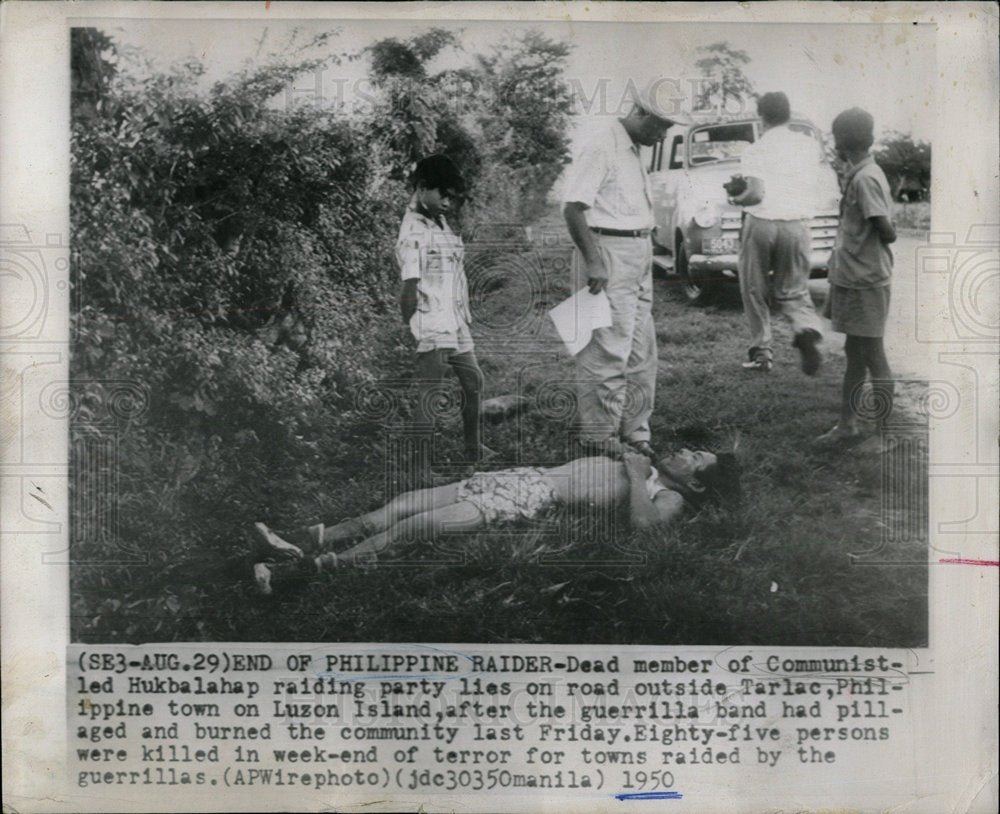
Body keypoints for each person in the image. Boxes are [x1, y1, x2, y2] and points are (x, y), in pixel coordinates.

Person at [251, 448, 740, 594]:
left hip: (528, 498)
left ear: (694, 484)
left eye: (695, 458)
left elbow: (647, 529)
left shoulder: (663, 494)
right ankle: (297, 540)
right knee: (400, 505)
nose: (683, 450)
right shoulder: (649, 464)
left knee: (411, 530)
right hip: (520, 475)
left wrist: (635, 476)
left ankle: (301, 572)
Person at [561, 81, 688, 461]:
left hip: (637, 251)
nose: (664, 133)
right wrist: (595, 261)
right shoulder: (603, 143)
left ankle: (635, 431)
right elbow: (572, 207)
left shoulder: (635, 149)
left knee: (641, 350)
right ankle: (599, 438)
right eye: (661, 125)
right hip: (608, 250)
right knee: (606, 348)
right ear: (639, 113)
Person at [397, 154, 491, 478]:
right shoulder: (413, 231)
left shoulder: (438, 220)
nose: (448, 201)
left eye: (452, 195)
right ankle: (421, 469)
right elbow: (408, 288)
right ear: (423, 188)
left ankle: (473, 449)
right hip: (432, 319)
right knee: (430, 393)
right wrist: (414, 325)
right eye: (443, 194)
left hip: (454, 317)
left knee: (473, 381)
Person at [815, 108, 897, 445]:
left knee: (874, 356)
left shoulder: (865, 178)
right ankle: (847, 425)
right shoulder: (860, 173)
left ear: (842, 141)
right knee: (855, 354)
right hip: (853, 278)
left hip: (866, 281)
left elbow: (887, 231)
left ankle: (886, 433)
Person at [729, 91, 825, 374]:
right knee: (794, 289)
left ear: (762, 117)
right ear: (788, 113)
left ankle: (762, 352)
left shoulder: (756, 149)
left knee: (754, 288)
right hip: (797, 224)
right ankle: (805, 328)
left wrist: (736, 197)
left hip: (762, 223)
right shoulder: (809, 146)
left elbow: (756, 194)